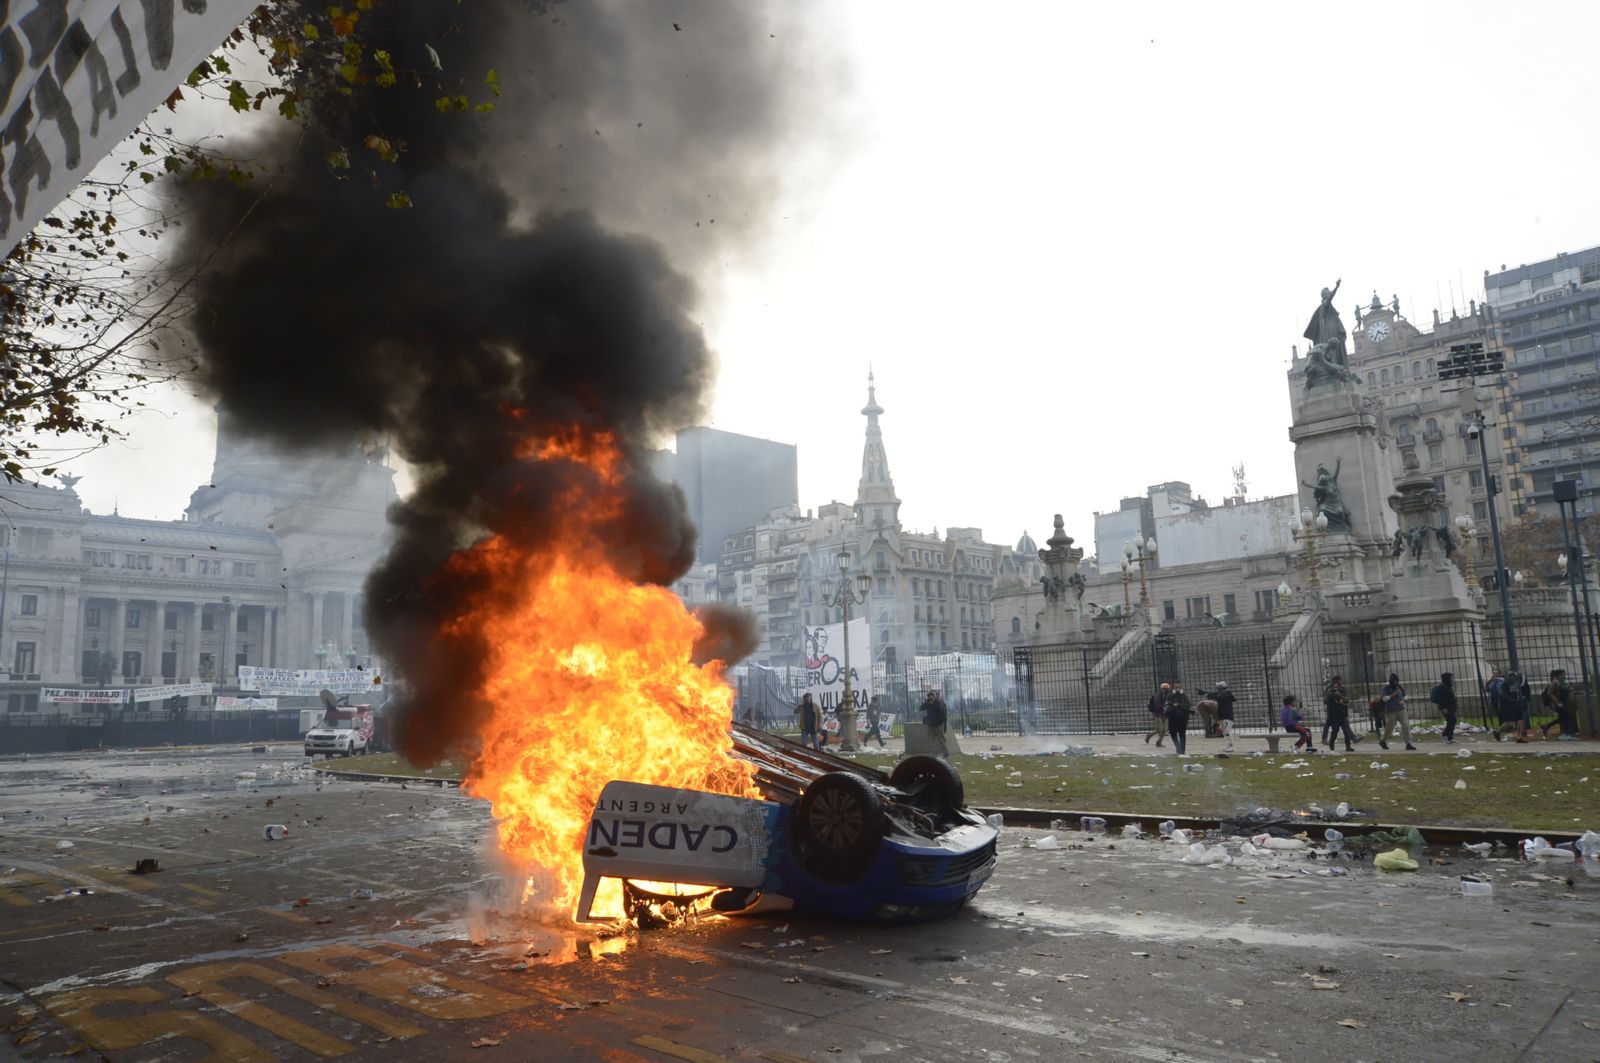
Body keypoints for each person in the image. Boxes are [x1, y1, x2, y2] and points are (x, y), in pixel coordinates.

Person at [1378, 672, 1416, 751]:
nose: (1395, 683)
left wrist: (1404, 699)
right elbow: (1384, 698)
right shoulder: (1386, 688)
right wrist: (1393, 694)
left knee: (1405, 725)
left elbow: (1405, 695)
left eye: (1396, 681)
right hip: (1391, 711)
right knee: (1389, 727)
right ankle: (1383, 741)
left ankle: (1408, 743)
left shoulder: (1399, 687)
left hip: (1401, 710)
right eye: (1394, 681)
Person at [1493, 669, 1531, 743]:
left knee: (1521, 720)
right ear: (1507, 677)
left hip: (1517, 704)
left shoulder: (1516, 683)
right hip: (1508, 706)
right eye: (1510, 676)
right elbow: (1502, 695)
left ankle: (1519, 737)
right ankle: (1497, 731)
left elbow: (1518, 693)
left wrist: (1520, 700)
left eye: (1513, 676)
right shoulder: (1504, 684)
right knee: (1509, 723)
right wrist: (1512, 700)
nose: (1512, 678)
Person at [1539, 669, 1577, 740]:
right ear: (1559, 675)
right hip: (1557, 704)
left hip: (1562, 703)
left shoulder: (1561, 683)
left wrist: (1571, 687)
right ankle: (1564, 733)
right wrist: (1557, 701)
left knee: (1562, 718)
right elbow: (1549, 693)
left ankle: (1546, 726)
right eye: (1563, 675)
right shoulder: (1555, 682)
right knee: (1566, 716)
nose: (1564, 676)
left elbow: (1565, 691)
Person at [1323, 676, 1357, 752]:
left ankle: (1348, 746)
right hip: (1334, 715)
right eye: (1334, 686)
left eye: (1337, 686)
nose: (1336, 687)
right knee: (1335, 730)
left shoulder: (1342, 690)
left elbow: (1346, 699)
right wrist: (1334, 693)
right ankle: (1331, 743)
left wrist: (1343, 699)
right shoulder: (1329, 692)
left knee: (1346, 731)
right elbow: (1326, 700)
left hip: (1342, 713)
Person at [1164, 680, 1192, 755]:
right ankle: (1178, 748)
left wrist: (1179, 705)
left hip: (1182, 718)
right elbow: (1167, 706)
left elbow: (1188, 705)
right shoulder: (1170, 696)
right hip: (1172, 718)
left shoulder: (1184, 696)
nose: (1177, 689)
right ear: (1173, 687)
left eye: (1179, 687)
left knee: (1182, 734)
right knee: (1173, 734)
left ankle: (1182, 750)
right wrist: (1172, 705)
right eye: (1176, 687)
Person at [1430, 672, 1459, 744]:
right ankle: (1446, 735)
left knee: (1451, 721)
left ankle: (1448, 736)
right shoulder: (1442, 687)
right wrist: (1443, 708)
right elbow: (1440, 699)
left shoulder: (1448, 686)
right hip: (1446, 708)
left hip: (1450, 707)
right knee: (1452, 720)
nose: (1452, 679)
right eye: (1451, 678)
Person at [921, 689, 949, 757]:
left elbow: (941, 712)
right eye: (929, 696)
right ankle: (931, 754)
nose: (930, 698)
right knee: (930, 740)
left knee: (941, 740)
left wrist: (933, 703)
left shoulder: (939, 702)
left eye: (932, 696)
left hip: (939, 725)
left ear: (934, 696)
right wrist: (925, 703)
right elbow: (921, 708)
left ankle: (946, 753)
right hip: (931, 725)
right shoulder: (928, 703)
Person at [1211, 681, 1237, 752]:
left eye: (1218, 689)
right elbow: (1215, 696)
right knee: (1226, 732)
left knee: (1228, 732)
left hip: (1227, 717)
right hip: (1224, 716)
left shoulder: (1227, 696)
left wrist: (1208, 694)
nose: (1217, 690)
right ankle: (1229, 746)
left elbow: (1217, 697)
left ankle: (1231, 746)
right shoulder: (1225, 695)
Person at [1145, 683, 1170, 747]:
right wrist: (1164, 705)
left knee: (1164, 730)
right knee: (1159, 729)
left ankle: (1159, 742)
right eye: (1163, 689)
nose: (1164, 690)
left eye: (1166, 689)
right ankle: (1149, 735)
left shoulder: (1169, 696)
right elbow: (1157, 705)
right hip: (1158, 714)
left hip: (1165, 714)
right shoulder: (1158, 696)